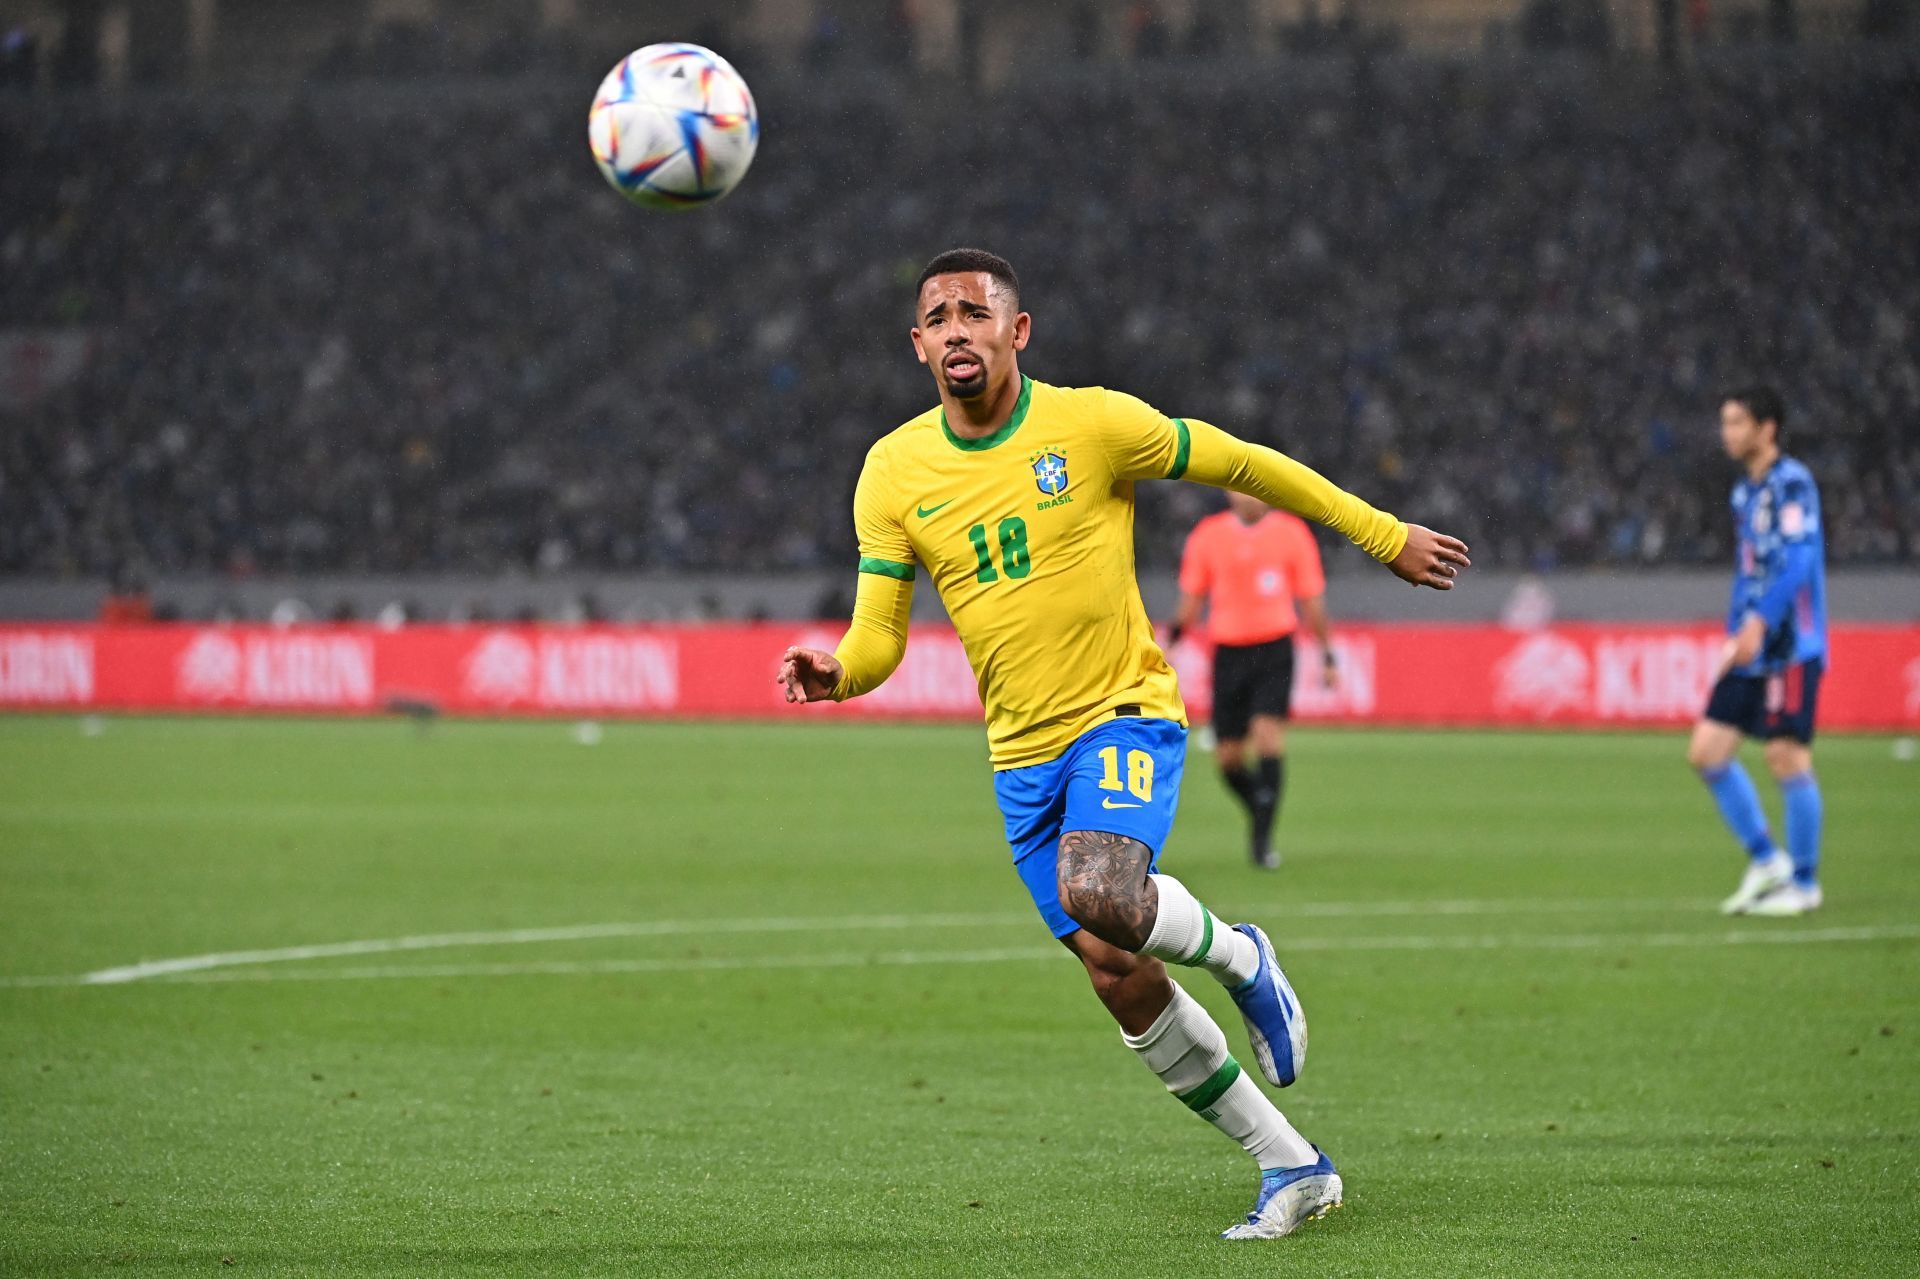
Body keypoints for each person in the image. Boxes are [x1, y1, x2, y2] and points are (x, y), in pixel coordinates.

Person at [777, 248, 1469, 1240]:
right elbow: (882, 629)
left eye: (978, 310)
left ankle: (1240, 956)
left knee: (1099, 887)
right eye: (939, 316)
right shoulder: (893, 470)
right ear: (919, 345)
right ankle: (1291, 1162)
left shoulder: (1092, 422)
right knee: (1116, 969)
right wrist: (839, 670)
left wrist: (1377, 531)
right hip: (1019, 756)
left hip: (1122, 711)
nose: (957, 327)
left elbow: (1242, 463)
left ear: (1019, 332)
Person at [1687, 387, 1828, 916]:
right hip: (1750, 643)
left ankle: (1805, 884)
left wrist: (1760, 625)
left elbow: (1798, 561)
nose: (1728, 433)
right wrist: (1734, 634)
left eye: (1738, 423)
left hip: (1790, 644)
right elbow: (1749, 572)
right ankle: (1768, 861)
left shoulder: (1792, 483)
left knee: (1785, 755)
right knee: (1707, 752)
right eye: (1725, 422)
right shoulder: (1744, 493)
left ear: (1768, 428)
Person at [1169, 491, 1337, 868]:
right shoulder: (1208, 535)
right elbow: (1193, 596)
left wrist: (1327, 652)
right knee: (1228, 758)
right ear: (1229, 491)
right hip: (1228, 652)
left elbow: (1311, 597)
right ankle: (1261, 802)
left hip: (1274, 649)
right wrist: (1175, 640)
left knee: (1267, 735)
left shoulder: (1292, 534)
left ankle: (1262, 840)